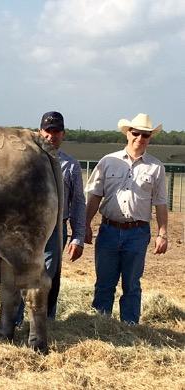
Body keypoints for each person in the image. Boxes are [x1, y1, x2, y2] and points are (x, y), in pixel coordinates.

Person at [84, 113, 168, 324]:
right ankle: (100, 326)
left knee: (132, 284)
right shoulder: (107, 162)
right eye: (136, 133)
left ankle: (130, 327)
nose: (140, 138)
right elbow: (94, 196)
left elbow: (160, 203)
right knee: (104, 282)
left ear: (150, 138)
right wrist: (84, 224)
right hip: (108, 230)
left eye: (145, 135)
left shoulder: (156, 167)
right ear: (128, 134)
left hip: (138, 233)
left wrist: (163, 233)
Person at [15, 111, 86, 325]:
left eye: (56, 131)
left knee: (48, 275)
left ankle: (45, 321)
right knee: (22, 273)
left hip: (56, 227)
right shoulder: (26, 162)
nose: (51, 136)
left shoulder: (71, 165)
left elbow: (79, 202)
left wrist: (78, 236)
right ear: (40, 132)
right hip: (28, 228)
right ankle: (17, 319)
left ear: (63, 134)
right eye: (48, 131)